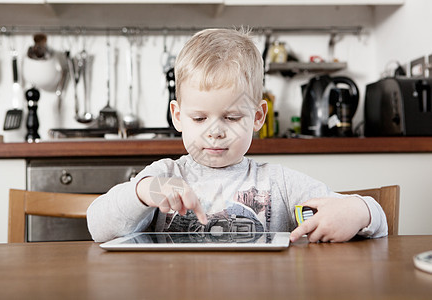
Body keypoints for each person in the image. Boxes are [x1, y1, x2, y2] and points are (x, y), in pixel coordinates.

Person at [87, 28, 387, 243]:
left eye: (232, 117)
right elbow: (97, 226)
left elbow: (373, 217)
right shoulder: (165, 175)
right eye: (199, 117)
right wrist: (142, 191)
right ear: (178, 117)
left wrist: (360, 210)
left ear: (258, 117)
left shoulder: (279, 183)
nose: (215, 131)